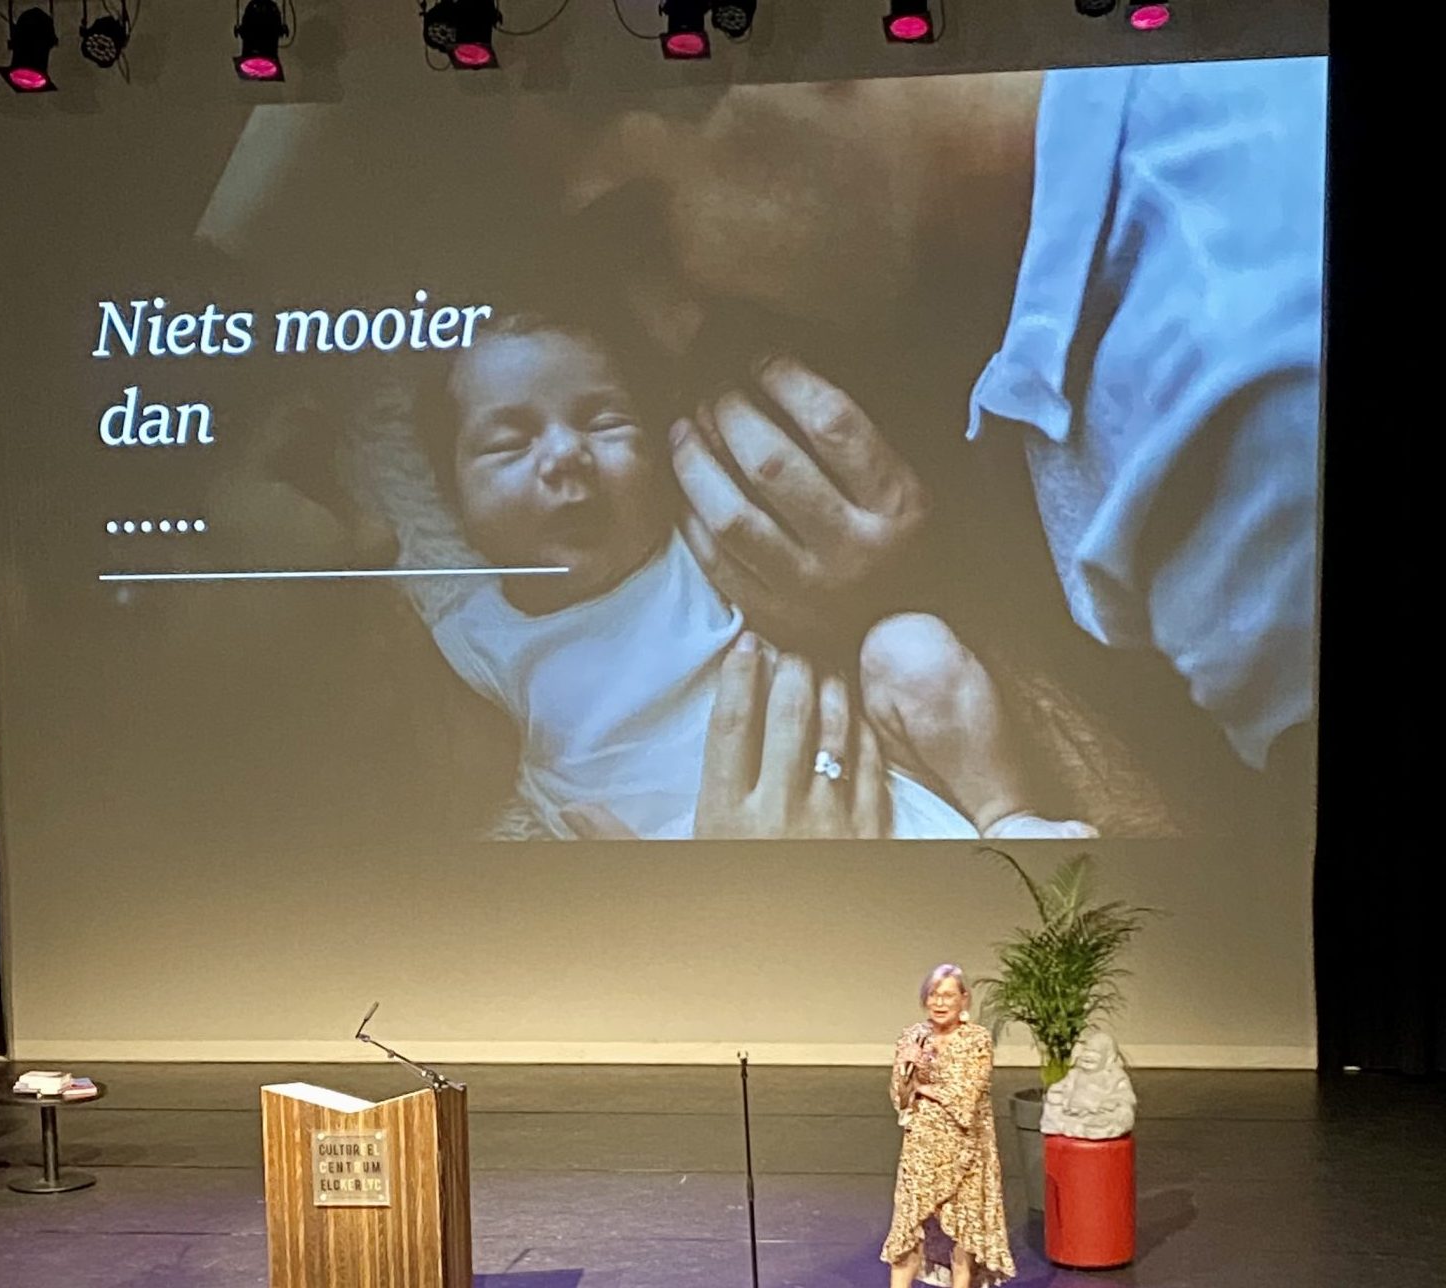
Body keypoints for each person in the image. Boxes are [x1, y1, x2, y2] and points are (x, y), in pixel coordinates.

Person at [557, 58, 1324, 788]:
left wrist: (918, 618)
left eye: (641, 231)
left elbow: (1255, 861)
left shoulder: (1235, 407)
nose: (671, 322)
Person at [415, 312, 1097, 840]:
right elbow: (446, 794)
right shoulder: (477, 640)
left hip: (882, 783)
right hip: (718, 875)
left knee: (908, 647)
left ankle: (1008, 817)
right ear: (453, 499)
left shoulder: (702, 545)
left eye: (605, 423)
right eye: (509, 443)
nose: (566, 453)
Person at [886, 965, 1015, 1288]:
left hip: (966, 1152)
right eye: (933, 995)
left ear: (964, 999)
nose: (940, 1003)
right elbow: (900, 1096)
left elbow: (966, 1095)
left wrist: (924, 1088)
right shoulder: (913, 1036)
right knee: (907, 1232)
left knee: (964, 1237)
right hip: (921, 1150)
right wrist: (907, 1069)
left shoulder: (976, 1040)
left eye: (947, 995)